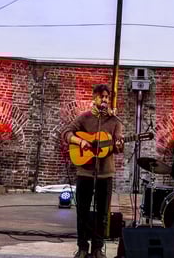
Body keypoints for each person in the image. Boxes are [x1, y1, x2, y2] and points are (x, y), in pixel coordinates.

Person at [65, 84, 124, 258]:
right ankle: (82, 247)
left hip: (105, 174)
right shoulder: (84, 118)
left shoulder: (115, 121)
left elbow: (119, 147)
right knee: (82, 211)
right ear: (94, 98)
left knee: (102, 213)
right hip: (85, 172)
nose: (104, 100)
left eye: (107, 97)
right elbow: (67, 132)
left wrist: (119, 145)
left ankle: (98, 248)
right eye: (101, 97)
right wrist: (79, 141)